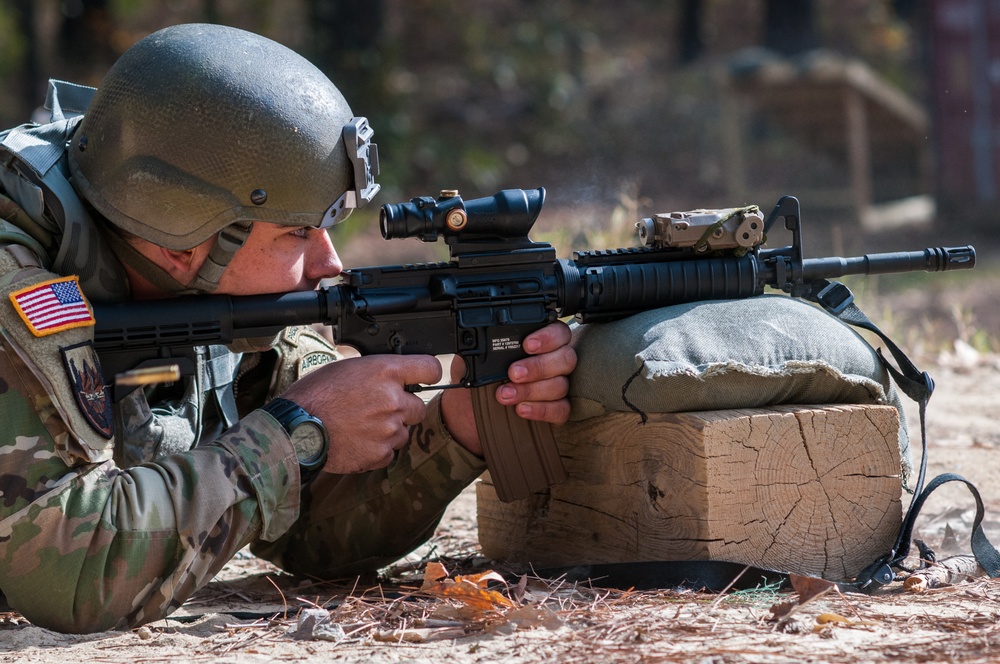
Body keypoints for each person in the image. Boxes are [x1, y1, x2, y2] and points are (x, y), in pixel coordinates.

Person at [0, 23, 576, 634]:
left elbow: (310, 532)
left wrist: (459, 424)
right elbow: (67, 571)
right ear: (184, 239)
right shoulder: (20, 285)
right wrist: (295, 434)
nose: (329, 265)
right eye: (297, 232)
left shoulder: (217, 288)